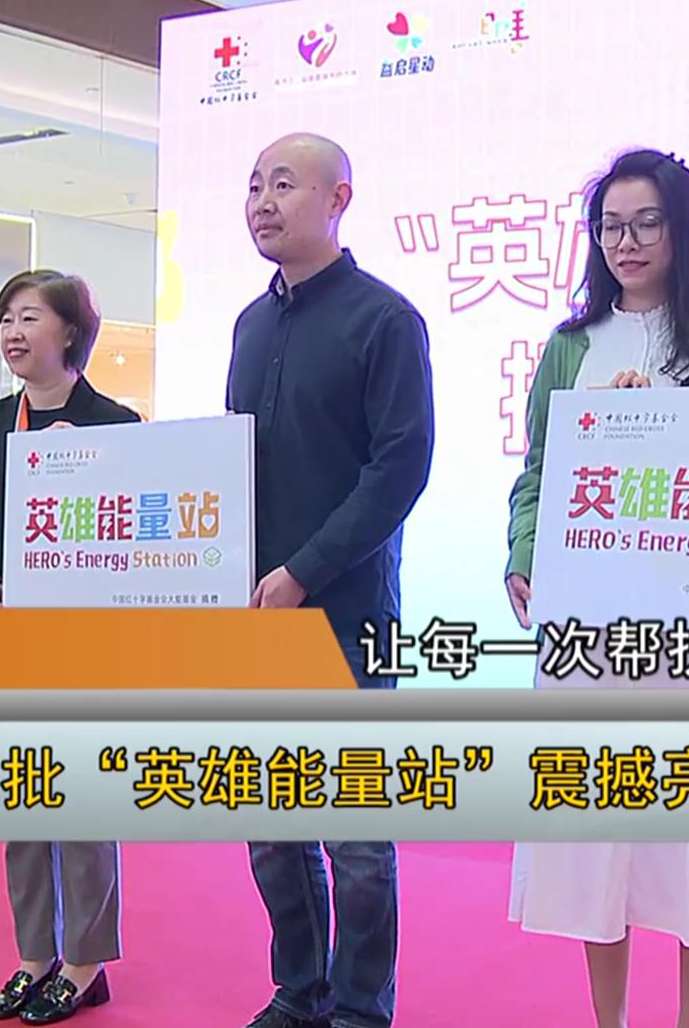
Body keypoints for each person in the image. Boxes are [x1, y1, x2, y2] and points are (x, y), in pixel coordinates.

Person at [503, 149, 689, 1028]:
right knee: (603, 841)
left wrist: (662, 422)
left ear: (684, 228)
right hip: (592, 630)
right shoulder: (571, 345)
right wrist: (522, 556)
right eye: (610, 227)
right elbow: (539, 472)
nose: (625, 242)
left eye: (646, 224)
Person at [227, 132, 435, 1028]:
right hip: (252, 618)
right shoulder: (250, 323)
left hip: (349, 615)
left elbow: (401, 468)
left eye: (283, 185)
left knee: (354, 837)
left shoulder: (385, 320)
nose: (262, 203)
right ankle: (299, 989)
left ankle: (358, 1007)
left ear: (338, 198)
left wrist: (303, 571)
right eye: (253, 186)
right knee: (271, 828)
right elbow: (231, 465)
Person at [0, 269, 138, 1023]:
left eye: (29, 317)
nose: (13, 332)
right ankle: (34, 955)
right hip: (7, 632)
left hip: (86, 641)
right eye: (6, 319)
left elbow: (134, 531)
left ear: (71, 333)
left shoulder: (114, 425)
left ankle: (86, 963)